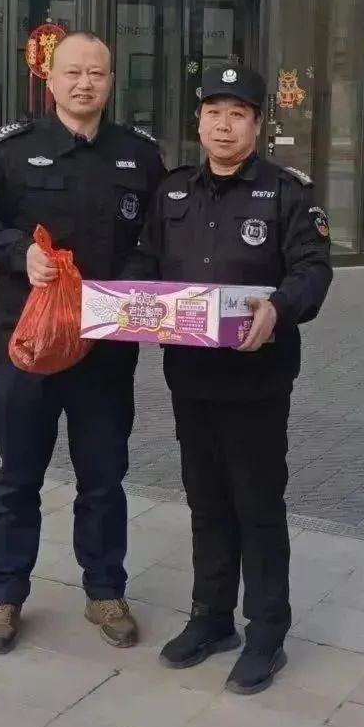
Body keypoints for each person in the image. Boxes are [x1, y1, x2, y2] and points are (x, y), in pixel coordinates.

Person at [126, 64, 333, 694]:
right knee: (206, 501)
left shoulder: (287, 193)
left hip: (257, 381)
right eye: (213, 112)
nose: (224, 125)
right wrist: (123, 300)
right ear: (199, 121)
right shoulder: (173, 193)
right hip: (190, 377)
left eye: (237, 114)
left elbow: (313, 269)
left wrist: (281, 306)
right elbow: (145, 262)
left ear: (257, 124)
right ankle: (212, 618)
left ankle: (267, 632)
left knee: (258, 505)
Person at [0, 32, 164, 655]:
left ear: (110, 81)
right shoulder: (12, 151)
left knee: (103, 478)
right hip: (28, 346)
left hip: (105, 348)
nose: (84, 83)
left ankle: (105, 590)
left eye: (96, 73)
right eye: (72, 72)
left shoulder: (138, 156)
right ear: (50, 81)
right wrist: (19, 252)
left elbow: (156, 239)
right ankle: (4, 595)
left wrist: (132, 288)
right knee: (18, 477)